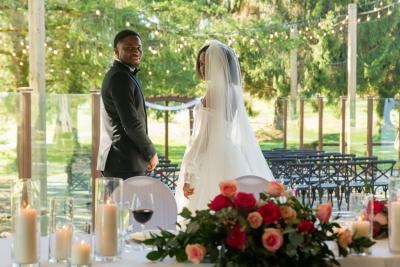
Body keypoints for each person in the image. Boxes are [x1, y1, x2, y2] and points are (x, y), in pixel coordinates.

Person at [175, 40, 275, 212]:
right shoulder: (233, 91)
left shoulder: (214, 92)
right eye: (200, 64)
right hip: (231, 155)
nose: (203, 69)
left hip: (211, 158)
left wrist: (190, 173)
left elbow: (203, 137)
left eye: (207, 64)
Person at [97, 30, 158, 179]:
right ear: (117, 51)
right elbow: (130, 123)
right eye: (129, 48)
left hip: (123, 161)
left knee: (123, 203)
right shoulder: (120, 78)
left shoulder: (124, 75)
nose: (136, 51)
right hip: (123, 161)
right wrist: (150, 152)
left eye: (138, 48)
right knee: (126, 203)